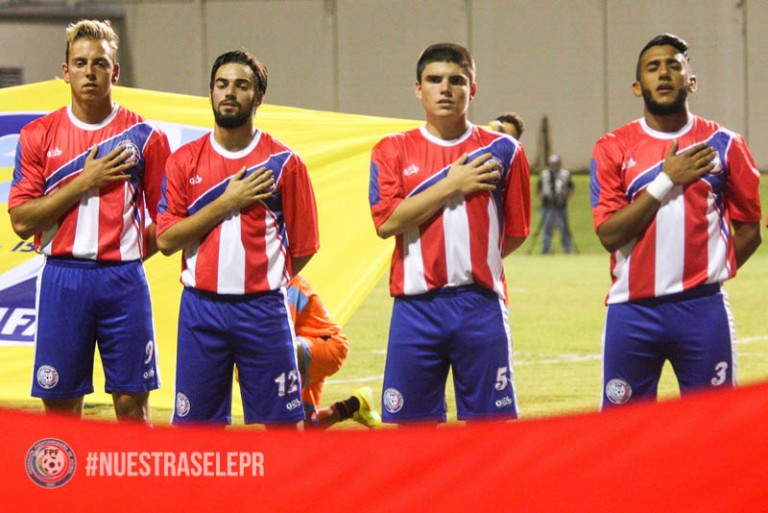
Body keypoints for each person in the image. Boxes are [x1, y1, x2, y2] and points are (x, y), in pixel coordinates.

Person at [8, 20, 169, 423]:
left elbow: (167, 221)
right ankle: (69, 471)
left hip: (124, 282)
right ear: (66, 71)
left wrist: (127, 253)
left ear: (116, 72)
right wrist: (85, 181)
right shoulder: (37, 135)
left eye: (100, 63)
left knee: (133, 408)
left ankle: (134, 471)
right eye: (80, 63)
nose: (90, 72)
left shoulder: (146, 137)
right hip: (63, 280)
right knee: (61, 408)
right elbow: (21, 221)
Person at [590, 33, 762, 408]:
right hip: (631, 311)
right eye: (653, 67)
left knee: (714, 425)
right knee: (624, 431)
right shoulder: (612, 147)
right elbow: (609, 235)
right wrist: (666, 180)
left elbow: (750, 229)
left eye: (673, 65)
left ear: (691, 81)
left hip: (704, 310)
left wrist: (712, 271)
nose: (664, 73)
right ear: (638, 86)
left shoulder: (726, 144)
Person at [369, 43, 531, 424]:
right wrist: (452, 185)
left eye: (456, 81)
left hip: (481, 306)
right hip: (415, 309)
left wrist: (475, 259)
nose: (445, 89)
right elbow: (386, 222)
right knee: (413, 432)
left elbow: (516, 231)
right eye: (434, 80)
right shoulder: (391, 150)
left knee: (490, 430)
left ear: (472, 90)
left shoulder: (505, 151)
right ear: (418, 88)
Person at [157, 50, 319, 427]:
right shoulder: (183, 161)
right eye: (221, 84)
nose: (229, 92)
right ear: (211, 93)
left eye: (241, 85)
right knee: (197, 430)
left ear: (258, 97)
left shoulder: (285, 163)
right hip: (201, 311)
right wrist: (228, 202)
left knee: (283, 427)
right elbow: (165, 240)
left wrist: (263, 281)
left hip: (264, 312)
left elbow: (305, 246)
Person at [235, 273, 381, 429]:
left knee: (273, 362)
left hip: (325, 346)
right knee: (306, 427)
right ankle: (355, 405)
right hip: (307, 352)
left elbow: (281, 338)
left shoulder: (288, 281)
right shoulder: (269, 282)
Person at [537, 154, 574, 254]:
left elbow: (571, 188)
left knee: (563, 228)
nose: (554, 166)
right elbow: (539, 189)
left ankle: (568, 249)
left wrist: (564, 198)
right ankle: (545, 249)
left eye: (555, 164)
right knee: (547, 228)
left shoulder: (565, 174)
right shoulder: (544, 175)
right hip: (547, 206)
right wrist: (543, 198)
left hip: (560, 206)